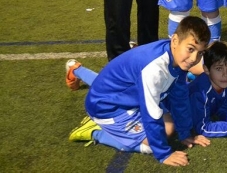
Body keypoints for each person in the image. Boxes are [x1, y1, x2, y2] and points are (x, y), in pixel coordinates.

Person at [65, 16, 211, 166]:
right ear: (174, 41)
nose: (194, 58)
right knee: (157, 139)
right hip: (107, 108)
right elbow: (151, 112)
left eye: (200, 53)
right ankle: (95, 131)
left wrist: (185, 133)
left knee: (168, 121)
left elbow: (180, 96)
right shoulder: (154, 68)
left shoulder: (177, 58)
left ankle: (77, 70)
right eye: (191, 49)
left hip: (119, 92)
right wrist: (163, 154)